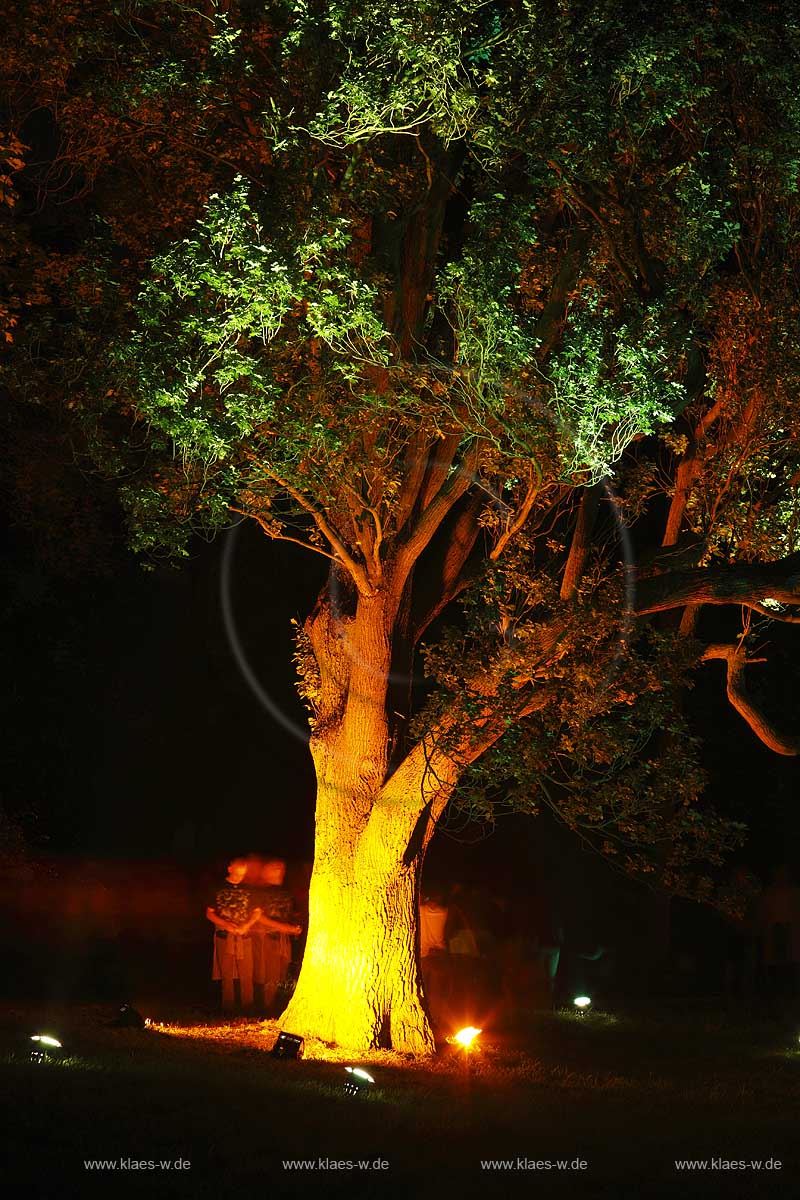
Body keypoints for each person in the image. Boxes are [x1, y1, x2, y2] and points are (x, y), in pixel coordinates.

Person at [206, 857, 263, 1014]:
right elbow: (209, 914)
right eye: (237, 873)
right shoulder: (217, 887)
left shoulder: (249, 889)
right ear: (230, 869)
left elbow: (257, 912)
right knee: (227, 974)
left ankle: (248, 1008)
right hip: (225, 937)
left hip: (244, 937)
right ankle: (228, 1009)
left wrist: (247, 925)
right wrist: (226, 925)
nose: (239, 878)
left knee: (246, 973)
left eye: (242, 875)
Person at [249, 859, 302, 1013]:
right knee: (268, 974)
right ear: (267, 872)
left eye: (282, 869)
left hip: (284, 939)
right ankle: (265, 1008)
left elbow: (292, 912)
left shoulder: (286, 892)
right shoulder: (260, 892)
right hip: (267, 938)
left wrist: (295, 927)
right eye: (276, 869)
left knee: (281, 973)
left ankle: (276, 1006)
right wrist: (285, 927)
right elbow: (259, 917)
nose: (280, 872)